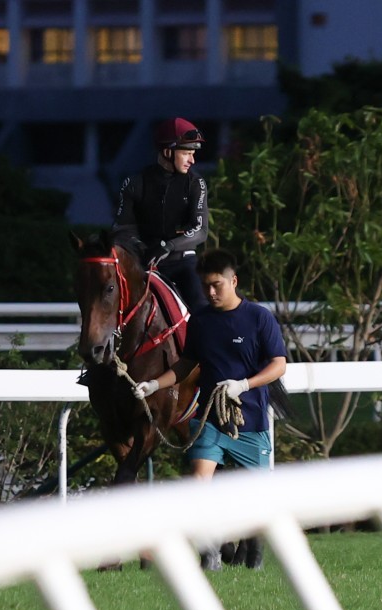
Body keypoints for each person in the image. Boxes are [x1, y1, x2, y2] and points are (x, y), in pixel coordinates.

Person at [134, 248, 287, 570]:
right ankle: (210, 551)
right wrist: (154, 384)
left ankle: (254, 548)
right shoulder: (201, 320)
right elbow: (186, 363)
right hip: (209, 418)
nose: (210, 292)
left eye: (217, 284)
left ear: (234, 281)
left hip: (250, 418)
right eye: (206, 286)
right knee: (200, 481)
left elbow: (278, 365)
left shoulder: (259, 318)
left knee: (255, 496)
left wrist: (244, 385)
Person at [113, 117, 209, 312]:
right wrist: (141, 247)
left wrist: (168, 246)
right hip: (144, 266)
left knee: (202, 311)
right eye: (186, 153)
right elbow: (122, 228)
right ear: (167, 152)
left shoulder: (196, 183)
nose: (192, 160)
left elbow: (200, 230)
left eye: (193, 153)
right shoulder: (133, 183)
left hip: (183, 264)